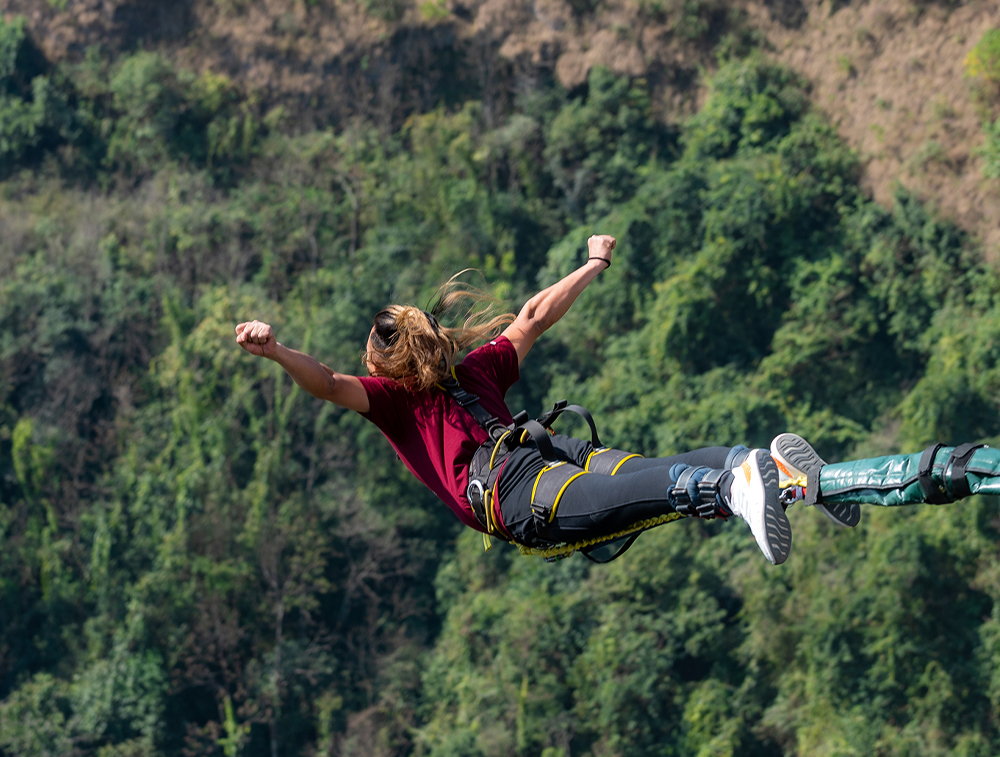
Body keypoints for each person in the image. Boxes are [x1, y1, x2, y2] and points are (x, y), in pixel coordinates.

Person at [236, 235, 818, 565]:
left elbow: (328, 383)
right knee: (640, 474)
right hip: (549, 447)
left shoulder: (397, 400)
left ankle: (733, 488)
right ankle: (752, 463)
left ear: (383, 364)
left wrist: (278, 350)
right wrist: (593, 264)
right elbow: (533, 317)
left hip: (517, 493)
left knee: (631, 495)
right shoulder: (475, 368)